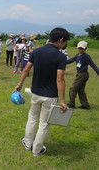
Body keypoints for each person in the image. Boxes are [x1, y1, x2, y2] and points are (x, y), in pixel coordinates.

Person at [13, 27, 69, 157]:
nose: (65, 44)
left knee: (32, 118)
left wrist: (19, 85)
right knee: (44, 123)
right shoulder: (60, 57)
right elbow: (60, 80)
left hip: (36, 93)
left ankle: (28, 143)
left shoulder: (36, 52)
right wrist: (62, 100)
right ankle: (37, 150)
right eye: (65, 41)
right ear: (61, 40)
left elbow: (26, 70)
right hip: (50, 96)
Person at [67, 41, 99, 110]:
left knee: (73, 88)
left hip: (83, 74)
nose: (80, 50)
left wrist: (98, 72)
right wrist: (61, 62)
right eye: (79, 48)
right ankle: (85, 105)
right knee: (80, 90)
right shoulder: (77, 56)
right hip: (79, 74)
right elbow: (70, 60)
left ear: (85, 49)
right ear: (77, 47)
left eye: (82, 48)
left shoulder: (86, 57)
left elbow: (93, 65)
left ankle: (71, 103)